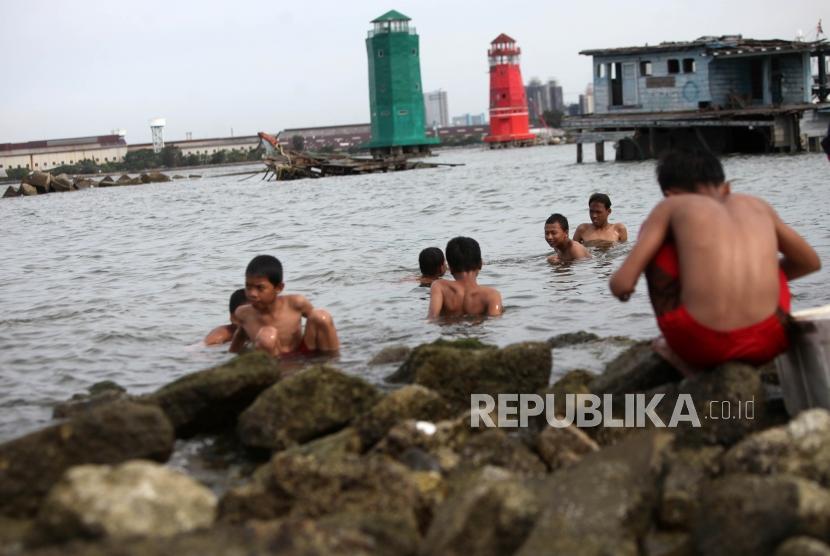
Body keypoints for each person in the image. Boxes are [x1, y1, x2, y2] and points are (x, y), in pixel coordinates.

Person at [609, 149, 820, 376]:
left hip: (702, 344)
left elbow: (621, 284)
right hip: (771, 339)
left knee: (660, 243)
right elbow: (808, 262)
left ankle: (678, 354)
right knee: (762, 259)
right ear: (725, 186)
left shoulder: (672, 206)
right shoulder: (757, 205)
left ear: (670, 193)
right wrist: (753, 277)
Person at [230, 255, 339, 357]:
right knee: (267, 336)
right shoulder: (243, 314)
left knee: (321, 316)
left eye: (260, 288)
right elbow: (239, 336)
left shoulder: (295, 303)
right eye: (248, 287)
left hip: (303, 353)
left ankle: (333, 364)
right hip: (275, 359)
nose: (252, 294)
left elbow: (318, 325)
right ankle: (275, 375)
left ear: (279, 288)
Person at [427, 236, 503, 319]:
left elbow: (432, 318)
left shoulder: (439, 286)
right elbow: (495, 321)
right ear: (481, 264)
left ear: (450, 268)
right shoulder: (492, 295)